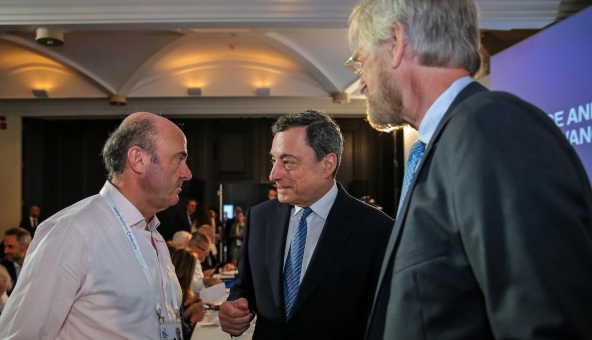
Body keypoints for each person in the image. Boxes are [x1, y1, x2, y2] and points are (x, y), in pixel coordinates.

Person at [346, 0, 592, 338]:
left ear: (397, 42)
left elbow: (546, 321)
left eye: (361, 61)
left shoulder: (489, 126)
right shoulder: (446, 142)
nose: (360, 84)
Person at [0, 112, 193, 338]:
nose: (187, 173)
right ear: (138, 159)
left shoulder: (152, 233)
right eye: (179, 159)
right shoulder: (72, 231)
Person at [218, 110, 393, 338]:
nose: (273, 174)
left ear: (328, 164)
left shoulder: (376, 229)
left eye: (288, 162)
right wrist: (236, 306)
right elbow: (246, 285)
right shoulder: (259, 218)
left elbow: (385, 317)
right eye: (274, 160)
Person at [170, 248, 206, 339]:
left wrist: (189, 310)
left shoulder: (172, 287)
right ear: (188, 270)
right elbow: (178, 333)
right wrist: (193, 320)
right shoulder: (176, 291)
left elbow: (177, 317)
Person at [0, 227, 31, 295]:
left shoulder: (40, 267)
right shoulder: (1, 270)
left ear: (25, 247)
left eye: (10, 247)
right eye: (4, 246)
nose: (5, 251)